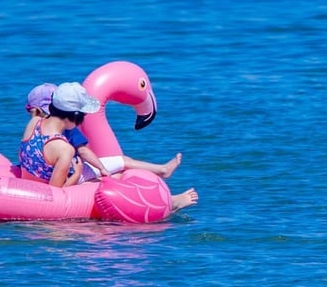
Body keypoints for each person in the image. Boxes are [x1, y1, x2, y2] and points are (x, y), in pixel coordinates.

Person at [20, 82, 198, 209]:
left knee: (116, 168)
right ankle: (171, 202)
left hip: (34, 176)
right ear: (75, 114)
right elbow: (54, 196)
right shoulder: (64, 149)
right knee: (120, 174)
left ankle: (163, 173)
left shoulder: (34, 122)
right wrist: (78, 174)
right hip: (59, 179)